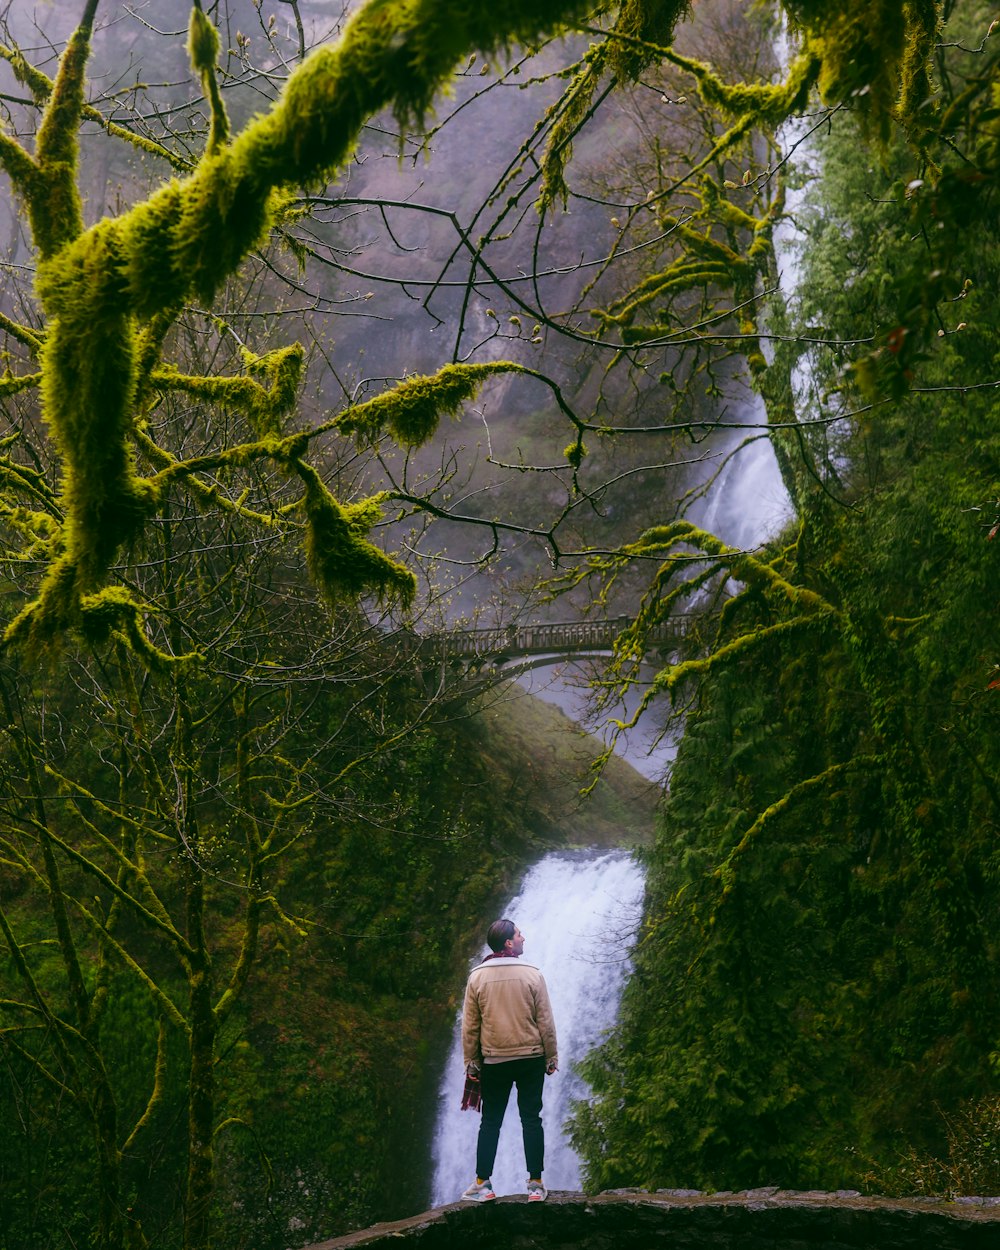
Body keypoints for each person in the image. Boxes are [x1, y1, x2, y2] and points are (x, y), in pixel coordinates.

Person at [460, 917, 558, 1203]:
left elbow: (470, 1026)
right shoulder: (532, 974)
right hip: (530, 1058)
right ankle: (536, 1185)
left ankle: (483, 1184)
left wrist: (471, 1062)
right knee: (531, 1119)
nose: (523, 938)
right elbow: (546, 1021)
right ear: (508, 942)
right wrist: (551, 1056)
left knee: (490, 1122)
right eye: (519, 934)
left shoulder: (477, 976)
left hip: (494, 1060)